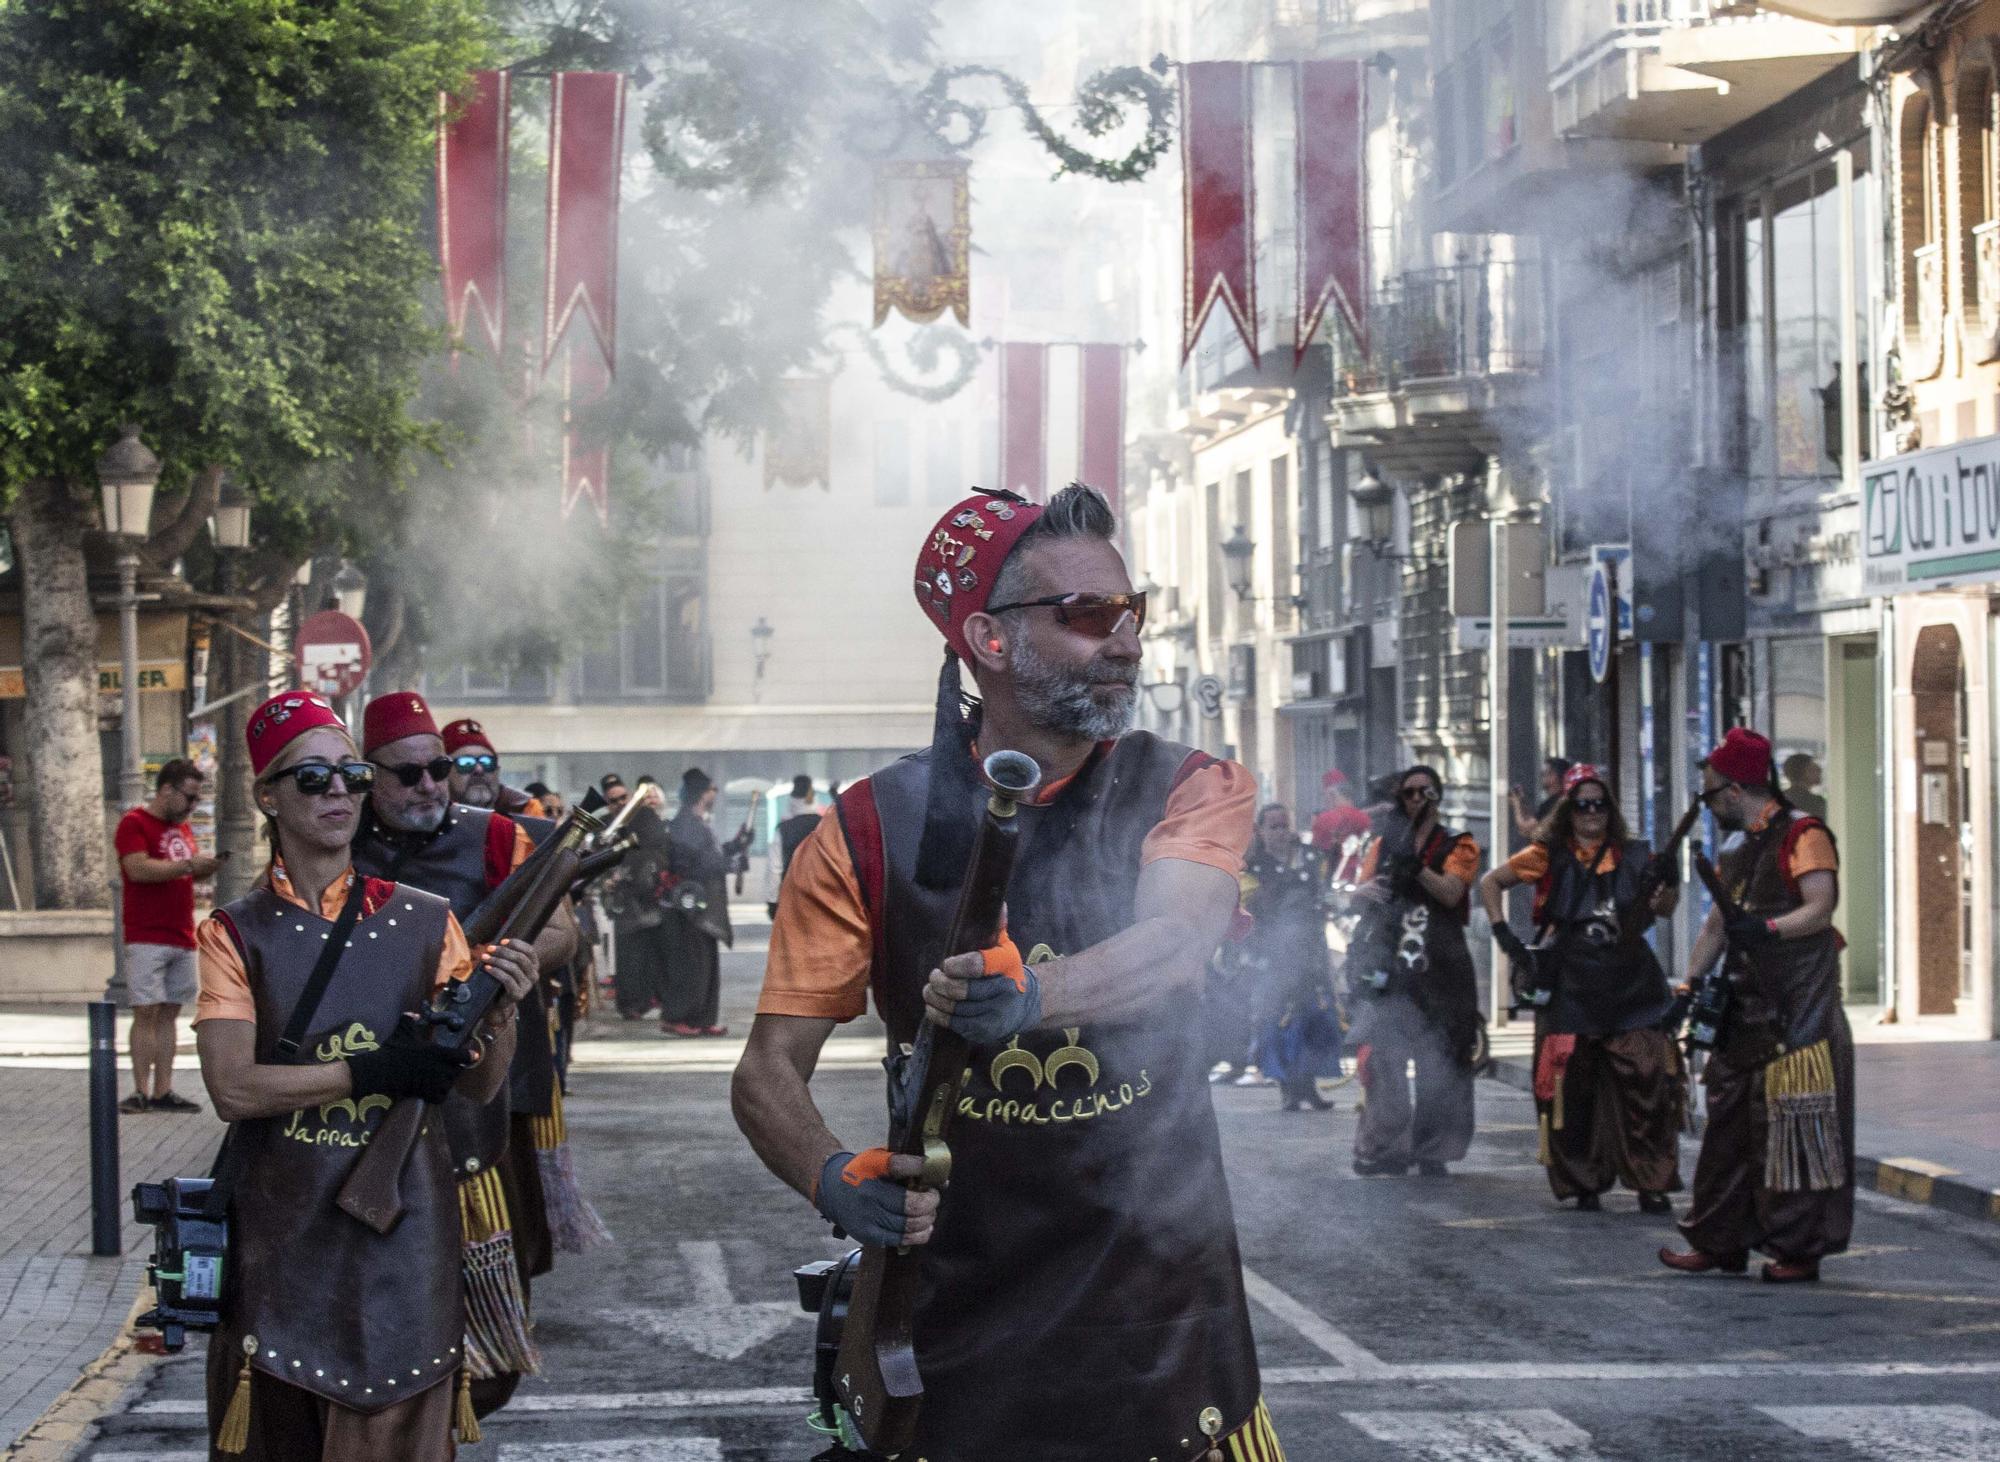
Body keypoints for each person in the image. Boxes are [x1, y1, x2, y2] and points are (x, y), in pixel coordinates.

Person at [732, 484, 1280, 1461]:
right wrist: (831, 1176)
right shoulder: (860, 831)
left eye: (1129, 612)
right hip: (950, 1316)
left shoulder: (1194, 781)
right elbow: (768, 1068)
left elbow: (1174, 940)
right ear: (987, 639)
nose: (1124, 640)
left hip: (1154, 1306)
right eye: (1085, 616)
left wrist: (1031, 994)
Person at [192, 689, 534, 1460]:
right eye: (312, 779)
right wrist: (372, 1069)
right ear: (268, 797)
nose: (338, 793)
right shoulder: (233, 933)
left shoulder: (427, 920)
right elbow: (232, 1087)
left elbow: (477, 1086)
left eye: (349, 774)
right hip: (281, 1246)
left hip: (408, 1240)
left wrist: (502, 1015)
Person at [349, 691, 578, 1417]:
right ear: (368, 776)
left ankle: (474, 1371)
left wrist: (488, 969)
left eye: (438, 769)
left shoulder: (497, 835)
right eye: (407, 774)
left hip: (483, 1069)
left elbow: (561, 931)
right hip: (371, 1077)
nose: (429, 786)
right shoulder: (336, 833)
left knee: (499, 1230)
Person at [1661, 727, 1851, 1284]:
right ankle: (1720, 1240)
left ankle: (1799, 1248)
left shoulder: (1805, 834)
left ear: (1736, 789)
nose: (1708, 805)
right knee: (1728, 1128)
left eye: (1710, 793)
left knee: (1795, 1129)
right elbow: (1717, 925)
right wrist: (1688, 985)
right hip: (1744, 1009)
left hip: (1800, 1011)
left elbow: (1819, 907)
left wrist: (1766, 928)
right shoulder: (1737, 847)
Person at [1480, 764, 1682, 1213]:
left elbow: (1664, 909)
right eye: (1582, 805)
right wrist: (1504, 938)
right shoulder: (1546, 855)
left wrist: (1672, 882)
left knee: (1648, 1083)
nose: (1591, 813)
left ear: (1611, 810)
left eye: (1599, 805)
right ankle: (1582, 1181)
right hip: (1572, 986)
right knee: (1571, 1090)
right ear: (1569, 811)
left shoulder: (1637, 856)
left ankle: (1651, 1181)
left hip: (1632, 986)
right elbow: (1490, 882)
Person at [1344, 764, 1483, 1178]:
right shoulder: (1384, 843)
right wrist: (1360, 891)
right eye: (1410, 793)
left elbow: (1452, 891)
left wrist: (1417, 868)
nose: (1419, 800)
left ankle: (1434, 1149)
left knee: (1442, 1057)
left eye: (1428, 793)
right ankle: (1385, 1145)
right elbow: (1360, 897)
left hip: (1441, 967)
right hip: (1390, 965)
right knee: (1384, 1057)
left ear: (1439, 798)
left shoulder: (1461, 845)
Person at [115, 759, 221, 1113]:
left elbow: (178, 873)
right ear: (166, 790)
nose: (193, 806)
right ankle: (140, 1090)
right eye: (189, 798)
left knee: (170, 1013)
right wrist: (190, 865)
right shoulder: (135, 823)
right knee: (146, 1011)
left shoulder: (182, 829)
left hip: (181, 933)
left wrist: (201, 868)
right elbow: (138, 868)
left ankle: (164, 1089)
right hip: (146, 934)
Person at [1241, 803, 1340, 1112]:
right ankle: (1288, 1088)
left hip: (1310, 952)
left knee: (1314, 1018)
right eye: (1273, 826)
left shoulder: (1310, 857)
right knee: (1277, 1022)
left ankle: (1308, 1086)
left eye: (1284, 825)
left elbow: (1325, 893)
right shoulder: (1254, 867)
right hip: (1273, 957)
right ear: (1260, 830)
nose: (1281, 832)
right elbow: (1248, 910)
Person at [658, 768, 749, 1037]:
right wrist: (731, 862)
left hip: (703, 908)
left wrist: (736, 845)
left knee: (705, 964)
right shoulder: (686, 823)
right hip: (689, 908)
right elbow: (702, 863)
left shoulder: (696, 823)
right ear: (701, 793)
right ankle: (678, 1017)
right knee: (691, 965)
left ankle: (702, 1018)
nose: (714, 794)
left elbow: (712, 854)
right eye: (711, 789)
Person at [441, 718, 545, 818]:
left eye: (487, 762)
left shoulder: (526, 812)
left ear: (497, 771)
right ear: (444, 773)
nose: (479, 769)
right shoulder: (429, 820)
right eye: (466, 763)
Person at [768, 774, 825, 920]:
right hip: (823, 897)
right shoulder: (827, 826)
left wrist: (773, 901)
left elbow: (775, 869)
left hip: (792, 898)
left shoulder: (783, 829)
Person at [1308, 770, 1371, 858]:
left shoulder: (1323, 819)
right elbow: (1367, 851)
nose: (1325, 801)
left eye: (1324, 795)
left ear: (1332, 794)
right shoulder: (1364, 818)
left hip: (1333, 870)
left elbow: (1315, 850)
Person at [1509, 756, 1572, 842]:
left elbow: (1525, 828)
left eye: (1544, 774)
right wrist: (1522, 803)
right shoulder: (1562, 799)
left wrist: (1516, 803)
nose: (1541, 778)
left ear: (1553, 777)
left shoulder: (1553, 803)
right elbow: (1534, 821)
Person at [1780, 752, 1827, 820]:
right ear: (1804, 772)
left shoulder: (1779, 799)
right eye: (1814, 768)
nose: (1819, 770)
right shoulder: (1816, 803)